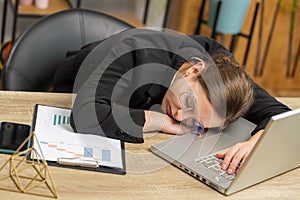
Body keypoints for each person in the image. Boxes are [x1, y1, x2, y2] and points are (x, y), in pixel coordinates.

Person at [53, 28, 290, 175]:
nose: (180, 116)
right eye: (188, 102)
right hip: (69, 88)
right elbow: (86, 114)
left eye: (196, 122)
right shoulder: (135, 50)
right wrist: (160, 121)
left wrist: (258, 141)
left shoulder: (224, 72)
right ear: (194, 70)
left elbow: (283, 116)